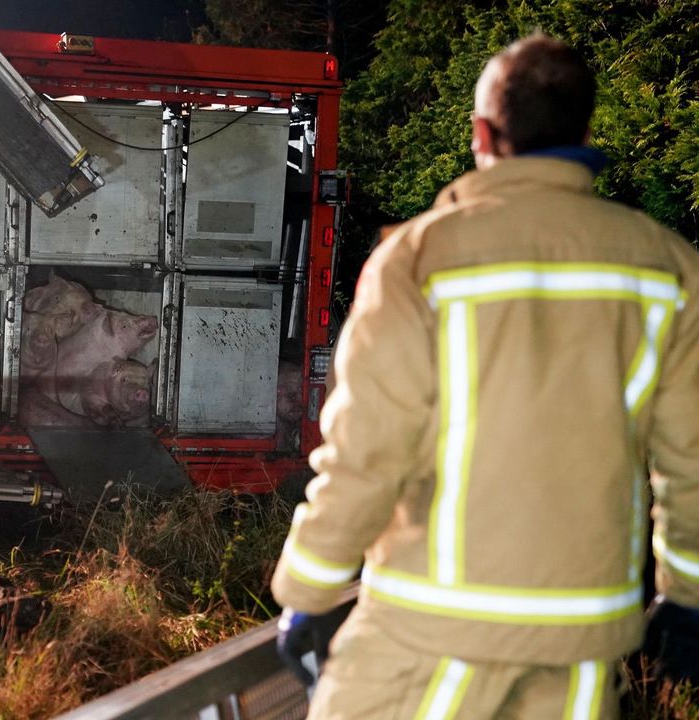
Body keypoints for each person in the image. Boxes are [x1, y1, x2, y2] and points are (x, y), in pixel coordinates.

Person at [271, 34, 699, 717]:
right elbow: (692, 463)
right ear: (586, 129)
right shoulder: (671, 270)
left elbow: (367, 449)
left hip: (425, 634)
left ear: (481, 134)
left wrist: (307, 591)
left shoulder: (419, 257)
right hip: (583, 646)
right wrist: (686, 597)